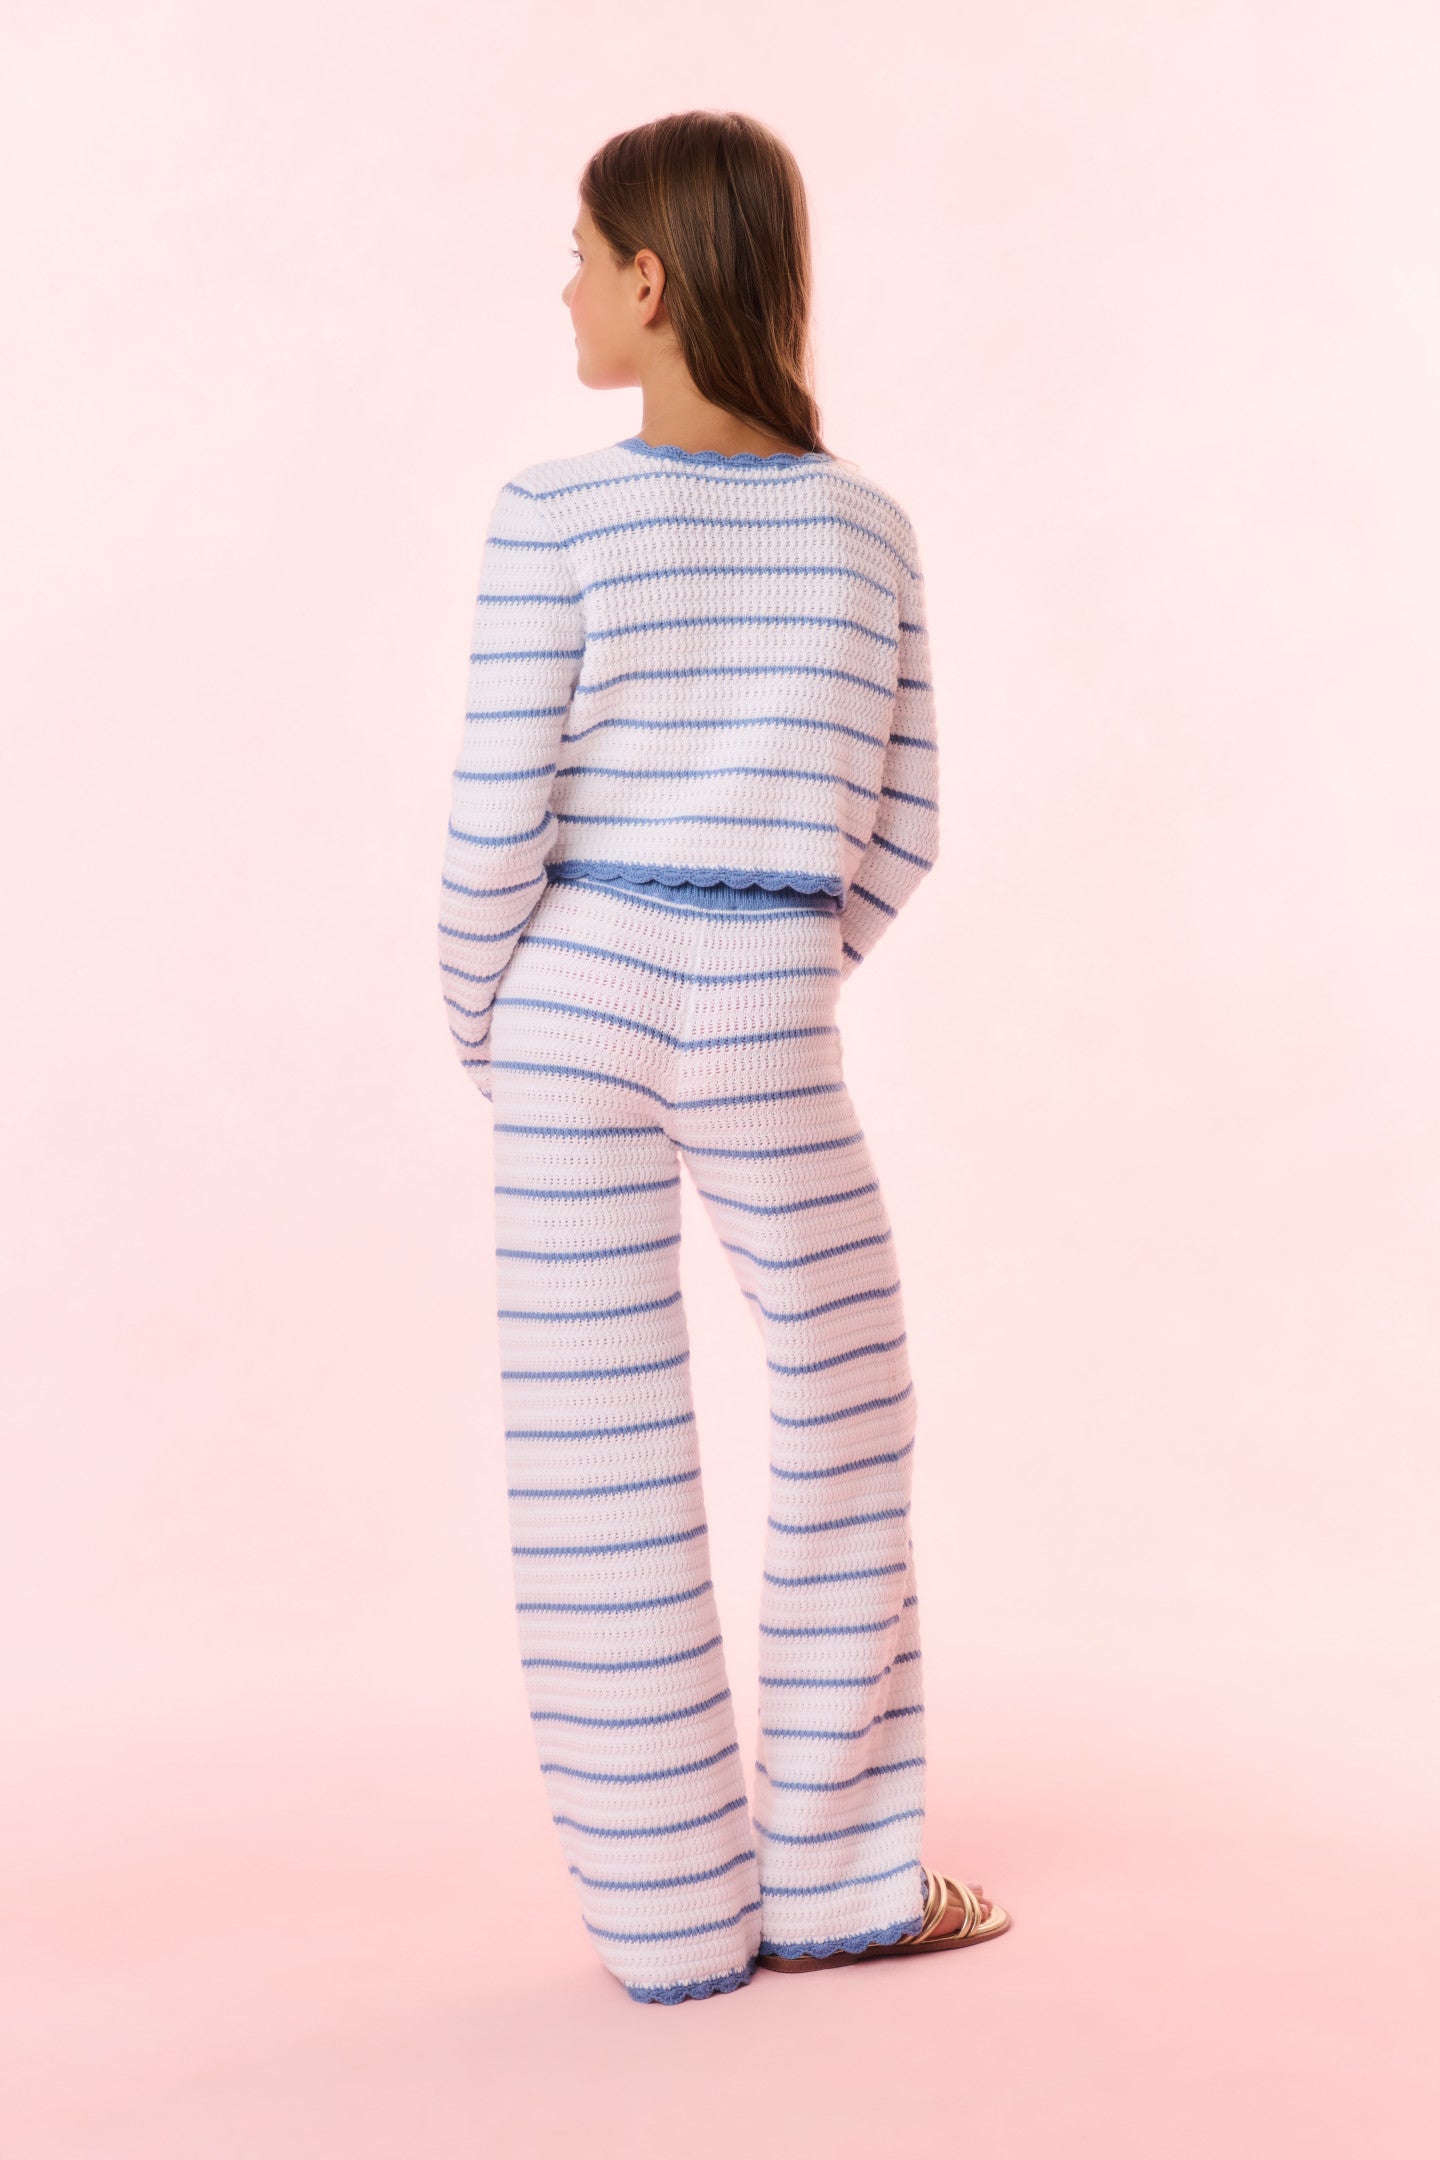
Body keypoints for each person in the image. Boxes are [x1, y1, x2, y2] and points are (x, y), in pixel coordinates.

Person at [436, 108, 1010, 2004]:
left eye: (579, 254)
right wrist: (783, 962)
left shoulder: (553, 515)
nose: (564, 288)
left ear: (652, 277)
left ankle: (669, 1926)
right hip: (768, 991)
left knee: (593, 1455)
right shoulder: (868, 526)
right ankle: (838, 1885)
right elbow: (909, 824)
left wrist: (491, 1015)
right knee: (852, 1402)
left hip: (571, 991)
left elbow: (494, 820)